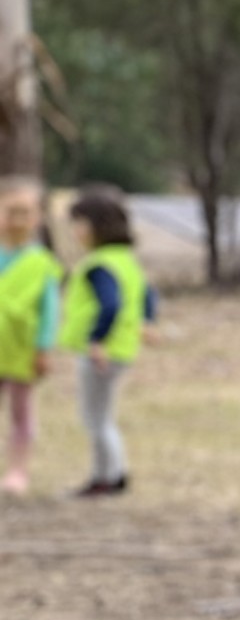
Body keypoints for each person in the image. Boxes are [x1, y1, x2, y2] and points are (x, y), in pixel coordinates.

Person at [61, 187, 154, 499]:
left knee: (95, 418)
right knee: (103, 416)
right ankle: (111, 473)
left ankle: (108, 477)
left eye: (79, 223)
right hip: (121, 348)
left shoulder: (99, 264)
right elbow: (147, 292)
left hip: (101, 352)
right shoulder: (125, 259)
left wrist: (96, 340)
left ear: (98, 226)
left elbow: (110, 304)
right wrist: (147, 321)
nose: (74, 231)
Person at [0, 177, 63, 497]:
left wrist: (43, 348)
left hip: (21, 351)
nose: (16, 220)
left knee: (21, 414)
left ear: (38, 217)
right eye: (10, 211)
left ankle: (17, 471)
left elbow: (49, 313)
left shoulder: (42, 264)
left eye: (25, 212)